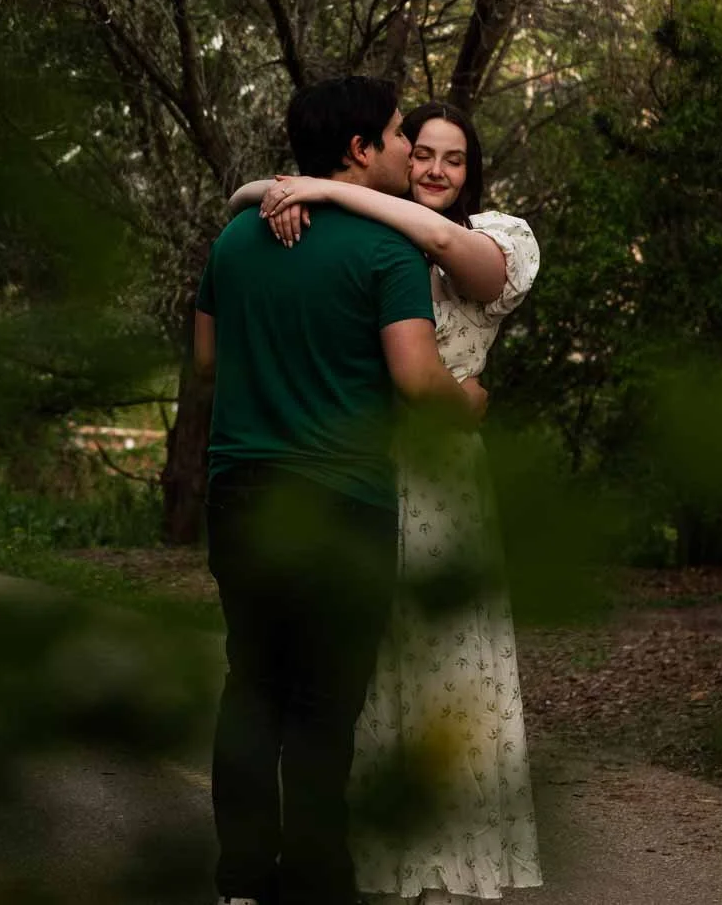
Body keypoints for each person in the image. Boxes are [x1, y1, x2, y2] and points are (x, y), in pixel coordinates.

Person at [229, 100, 543, 904]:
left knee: (442, 660)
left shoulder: (496, 240)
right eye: (423, 152)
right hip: (355, 468)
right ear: (393, 157)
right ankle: (355, 855)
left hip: (440, 481)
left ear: (475, 171)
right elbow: (241, 195)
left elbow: (441, 240)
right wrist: (285, 190)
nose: (436, 169)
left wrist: (325, 192)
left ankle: (447, 856)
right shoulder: (372, 242)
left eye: (454, 158)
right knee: (354, 674)